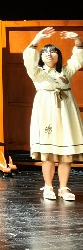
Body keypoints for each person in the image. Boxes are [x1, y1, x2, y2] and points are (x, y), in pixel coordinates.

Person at [24, 27, 83, 202]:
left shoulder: (66, 71)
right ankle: (48, 185)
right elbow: (28, 58)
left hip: (65, 111)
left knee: (66, 151)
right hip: (46, 111)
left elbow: (78, 59)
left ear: (59, 55)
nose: (49, 55)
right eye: (45, 52)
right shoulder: (37, 72)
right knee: (48, 152)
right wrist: (37, 39)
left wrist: (77, 39)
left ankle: (63, 187)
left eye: (53, 52)